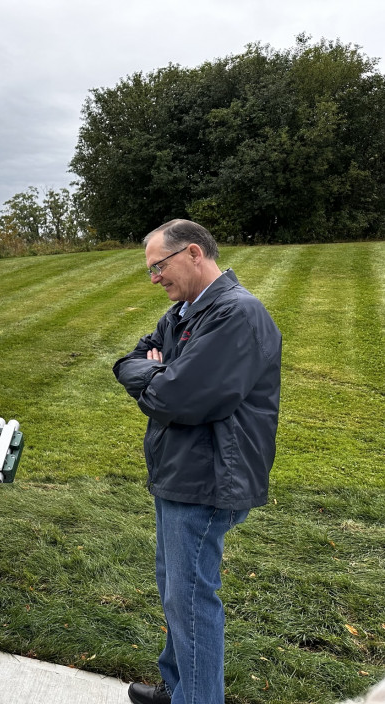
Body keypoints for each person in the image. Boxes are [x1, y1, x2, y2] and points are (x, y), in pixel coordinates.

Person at [112, 219, 282, 704]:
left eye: (157, 267)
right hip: (178, 472)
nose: (153, 279)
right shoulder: (186, 312)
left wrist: (164, 374)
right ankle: (178, 686)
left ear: (191, 253)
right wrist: (158, 369)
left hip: (209, 478)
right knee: (175, 590)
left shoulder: (237, 314)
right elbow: (127, 361)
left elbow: (178, 397)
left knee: (190, 601)